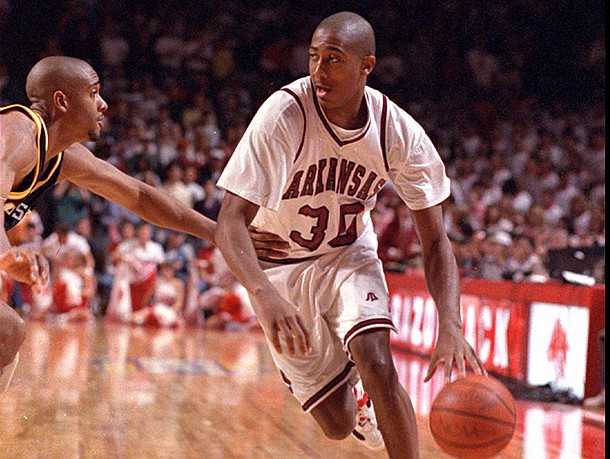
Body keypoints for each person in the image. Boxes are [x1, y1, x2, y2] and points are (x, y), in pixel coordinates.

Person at [215, 12, 485, 458]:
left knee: (377, 359)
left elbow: (435, 240)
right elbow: (230, 220)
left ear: (367, 66)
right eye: (314, 58)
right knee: (337, 424)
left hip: (347, 255)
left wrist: (451, 324)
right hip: (281, 266)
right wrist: (264, 294)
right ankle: (354, 401)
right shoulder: (284, 114)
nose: (320, 71)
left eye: (334, 59)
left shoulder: (397, 132)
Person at [0, 56, 288, 393]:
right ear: (62, 101)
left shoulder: (64, 156)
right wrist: (6, 254)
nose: (103, 104)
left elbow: (139, 196)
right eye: (93, 93)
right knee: (7, 329)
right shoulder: (17, 131)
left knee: (7, 334)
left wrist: (219, 234)